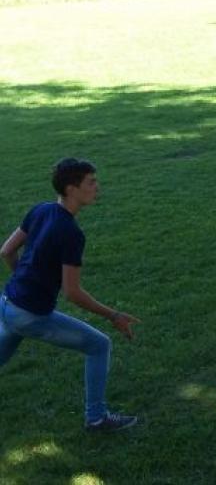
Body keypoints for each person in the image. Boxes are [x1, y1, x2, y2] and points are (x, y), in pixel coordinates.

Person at [0, 158, 140, 431]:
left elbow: (6, 251)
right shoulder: (71, 233)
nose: (97, 187)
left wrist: (24, 281)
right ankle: (96, 418)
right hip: (29, 314)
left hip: (7, 304)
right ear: (71, 189)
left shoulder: (41, 210)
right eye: (91, 182)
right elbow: (72, 293)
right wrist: (114, 315)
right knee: (99, 345)